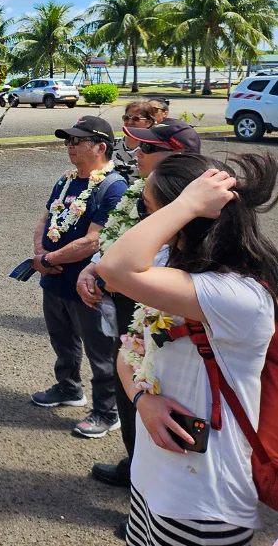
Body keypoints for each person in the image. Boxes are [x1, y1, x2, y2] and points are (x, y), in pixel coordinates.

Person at [97, 152, 277, 545]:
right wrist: (143, 399)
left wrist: (186, 203)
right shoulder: (176, 267)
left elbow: (113, 269)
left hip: (203, 501)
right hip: (151, 481)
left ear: (187, 216)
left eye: (149, 210)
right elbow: (130, 350)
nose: (145, 221)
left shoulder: (237, 295)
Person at [80, 117, 202, 498]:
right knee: (130, 389)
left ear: (177, 157)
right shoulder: (140, 191)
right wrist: (91, 267)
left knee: (160, 399)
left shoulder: (193, 211)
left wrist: (108, 273)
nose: (137, 153)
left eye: (147, 148)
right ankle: (135, 466)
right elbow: (112, 241)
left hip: (165, 322)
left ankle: (149, 493)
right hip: (130, 314)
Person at [29, 115, 127, 438]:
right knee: (63, 341)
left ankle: (107, 411)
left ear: (100, 147)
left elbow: (95, 240)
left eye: (76, 141)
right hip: (54, 279)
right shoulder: (66, 180)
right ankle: (69, 387)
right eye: (67, 140)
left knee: (101, 352)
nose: (69, 146)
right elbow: (45, 219)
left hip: (88, 286)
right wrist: (40, 255)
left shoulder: (114, 187)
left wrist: (49, 258)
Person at [111, 101, 154, 180]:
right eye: (126, 118)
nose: (130, 122)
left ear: (148, 122)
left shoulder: (152, 149)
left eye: (135, 119)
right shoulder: (111, 144)